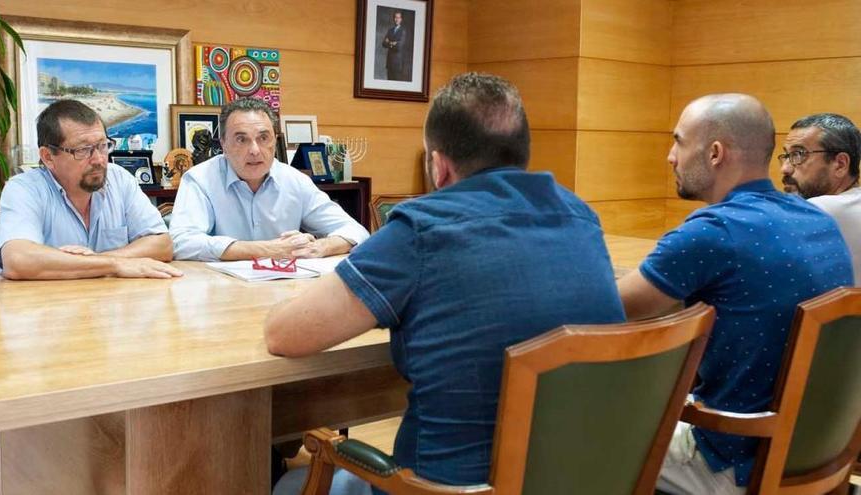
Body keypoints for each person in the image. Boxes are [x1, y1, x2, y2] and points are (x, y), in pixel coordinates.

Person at [265, 73, 626, 492]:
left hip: (443, 488)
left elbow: (284, 335)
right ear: (523, 152)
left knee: (288, 485)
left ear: (438, 165)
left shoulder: (420, 230)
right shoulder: (581, 217)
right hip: (579, 480)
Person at [618, 94, 853, 494]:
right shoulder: (817, 220)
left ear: (714, 153)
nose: (670, 157)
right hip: (812, 452)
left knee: (572, 436)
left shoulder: (714, 231)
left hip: (734, 461)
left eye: (678, 141)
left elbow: (608, 307)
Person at [0, 99, 180, 280]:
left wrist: (95, 260)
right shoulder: (24, 189)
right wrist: (114, 265)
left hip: (108, 303)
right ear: (48, 157)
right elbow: (17, 259)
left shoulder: (119, 179)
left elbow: (162, 244)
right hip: (42, 305)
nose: (99, 159)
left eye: (103, 146)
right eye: (83, 150)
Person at [169, 97, 368, 261]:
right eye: (241, 139)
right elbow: (181, 243)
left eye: (263, 138)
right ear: (224, 144)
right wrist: (267, 250)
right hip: (220, 292)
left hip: (283, 287)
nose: (255, 150)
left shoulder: (295, 180)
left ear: (275, 141)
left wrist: (320, 246)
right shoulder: (200, 179)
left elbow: (355, 231)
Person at [780, 113, 861, 285]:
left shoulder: (821, 209)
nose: (785, 168)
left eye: (799, 154)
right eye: (786, 156)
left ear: (840, 164)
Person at [381, 10, 408, 81]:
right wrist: (393, 43)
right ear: (393, 18)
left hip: (397, 64)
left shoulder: (403, 31)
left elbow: (399, 46)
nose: (397, 19)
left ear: (401, 19)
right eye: (395, 17)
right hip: (389, 62)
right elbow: (383, 43)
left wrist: (389, 42)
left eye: (398, 18)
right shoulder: (390, 30)